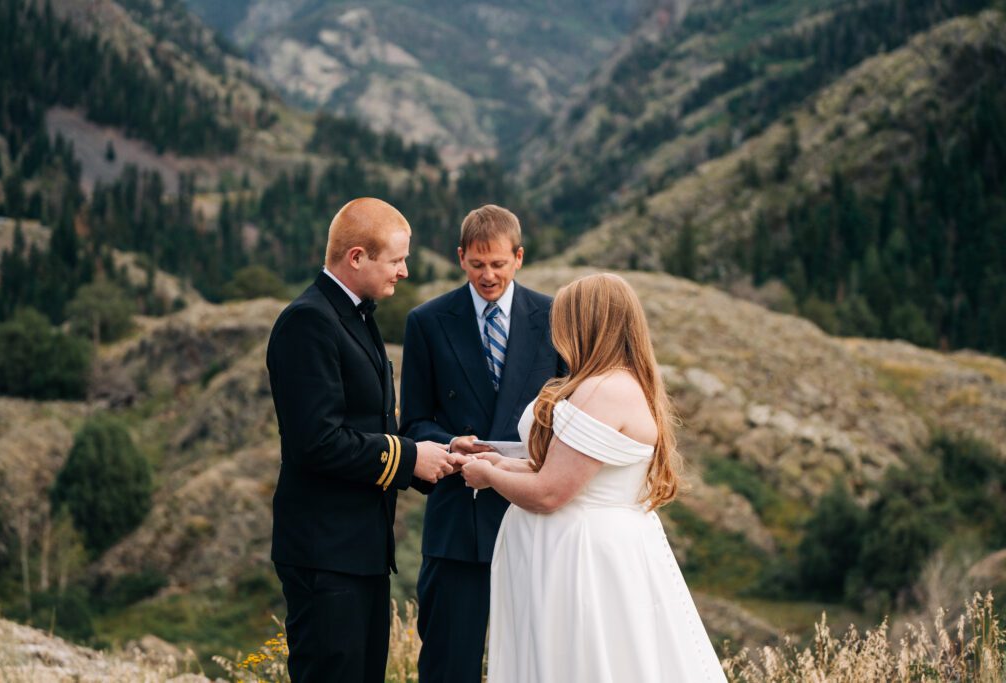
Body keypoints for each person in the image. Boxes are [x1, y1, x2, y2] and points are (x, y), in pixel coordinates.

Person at [462, 273, 726, 682]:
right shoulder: (607, 384)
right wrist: (494, 461)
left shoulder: (604, 390)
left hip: (581, 559)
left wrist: (489, 477)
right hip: (576, 548)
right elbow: (560, 470)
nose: (557, 332)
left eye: (564, 321)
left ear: (586, 324)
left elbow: (550, 493)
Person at [266, 197, 465, 683]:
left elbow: (372, 424)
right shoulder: (308, 322)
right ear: (357, 257)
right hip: (324, 552)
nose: (404, 271)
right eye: (396, 259)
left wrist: (442, 451)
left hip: (359, 551)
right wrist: (410, 458)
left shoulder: (354, 315)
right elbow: (316, 441)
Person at [399, 205, 563, 683]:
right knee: (450, 664)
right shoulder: (427, 322)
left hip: (535, 518)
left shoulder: (555, 317)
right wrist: (451, 441)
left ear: (518, 257)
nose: (487, 276)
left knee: (541, 664)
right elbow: (413, 423)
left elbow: (573, 415)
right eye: (476, 264)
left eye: (497, 264)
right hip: (457, 522)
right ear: (460, 258)